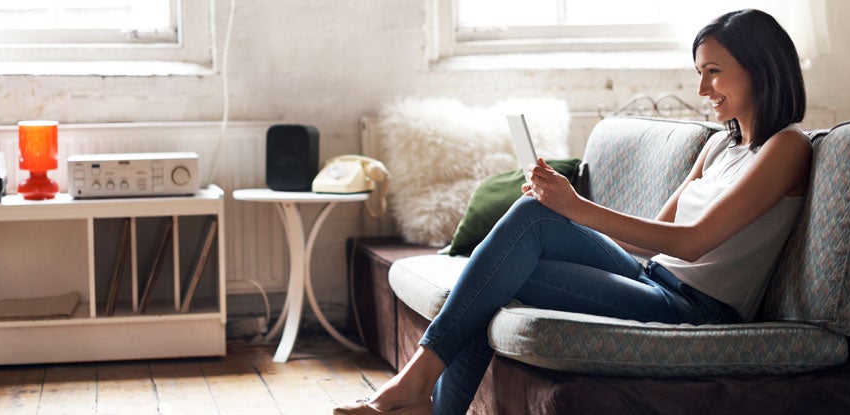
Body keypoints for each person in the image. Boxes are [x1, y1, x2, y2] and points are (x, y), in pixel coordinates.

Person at [335, 8, 810, 415]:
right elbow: (653, 238)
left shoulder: (787, 147)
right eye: (699, 73)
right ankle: (421, 394)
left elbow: (693, 240)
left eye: (713, 71)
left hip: (696, 309)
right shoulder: (719, 148)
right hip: (652, 277)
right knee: (532, 217)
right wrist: (563, 208)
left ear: (759, 68)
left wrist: (577, 206)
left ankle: (416, 391)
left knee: (506, 267)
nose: (703, 88)